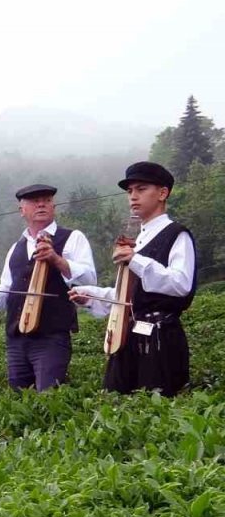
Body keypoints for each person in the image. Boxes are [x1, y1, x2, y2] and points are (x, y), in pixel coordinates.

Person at [70, 162, 197, 395]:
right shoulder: (137, 241)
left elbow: (181, 284)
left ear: (162, 193)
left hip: (160, 337)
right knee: (119, 406)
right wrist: (90, 295)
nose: (133, 197)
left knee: (158, 410)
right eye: (129, 191)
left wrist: (135, 260)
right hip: (126, 336)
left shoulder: (177, 234)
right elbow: (129, 298)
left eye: (141, 189)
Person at [0, 184, 97, 391]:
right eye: (34, 201)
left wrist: (56, 260)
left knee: (49, 396)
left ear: (54, 205)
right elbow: (7, 288)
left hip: (51, 336)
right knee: (19, 398)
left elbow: (89, 279)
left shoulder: (72, 237)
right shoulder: (16, 247)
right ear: (21, 209)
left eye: (47, 200)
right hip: (16, 338)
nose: (41, 204)